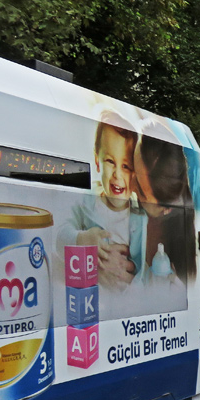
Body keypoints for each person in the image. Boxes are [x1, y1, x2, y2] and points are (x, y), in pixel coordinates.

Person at [59, 111, 147, 290]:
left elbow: (146, 271)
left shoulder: (141, 216)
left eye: (126, 166)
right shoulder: (85, 203)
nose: (117, 174)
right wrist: (81, 239)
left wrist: (132, 283)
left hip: (126, 304)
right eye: (110, 161)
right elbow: (60, 235)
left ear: (135, 172)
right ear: (97, 161)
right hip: (90, 298)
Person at [132, 120, 197, 283]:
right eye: (130, 167)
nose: (129, 186)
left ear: (166, 209)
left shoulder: (180, 274)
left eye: (140, 189)